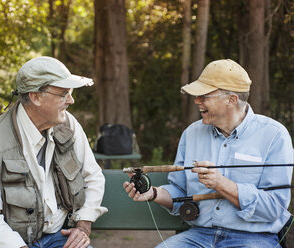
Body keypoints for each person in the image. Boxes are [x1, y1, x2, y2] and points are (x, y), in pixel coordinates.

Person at [124, 59, 294, 248]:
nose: (197, 101)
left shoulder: (274, 135)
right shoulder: (191, 133)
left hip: (255, 238)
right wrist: (153, 193)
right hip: (199, 236)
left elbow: (274, 207)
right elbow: (180, 192)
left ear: (231, 100)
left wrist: (222, 184)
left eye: (205, 96)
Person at [0, 56, 107, 248]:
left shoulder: (68, 125)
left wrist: (83, 224)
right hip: (10, 243)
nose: (71, 100)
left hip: (59, 237)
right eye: (63, 93)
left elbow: (93, 176)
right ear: (35, 97)